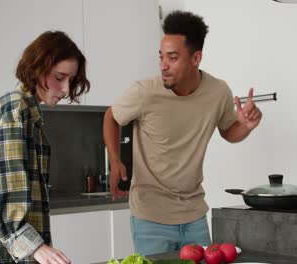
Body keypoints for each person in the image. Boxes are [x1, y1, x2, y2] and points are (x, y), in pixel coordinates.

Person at [102, 11, 262, 255]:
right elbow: (111, 117)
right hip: (150, 218)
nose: (163, 65)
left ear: (196, 58)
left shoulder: (218, 92)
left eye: (173, 58)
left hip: (194, 215)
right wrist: (115, 161)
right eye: (161, 57)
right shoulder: (145, 92)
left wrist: (246, 126)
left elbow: (229, 132)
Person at [0, 31, 90, 264]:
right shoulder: (14, 112)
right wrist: (36, 247)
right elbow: (2, 194)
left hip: (0, 247)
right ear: (38, 68)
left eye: (71, 79)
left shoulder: (23, 112)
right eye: (59, 77)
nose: (65, 88)